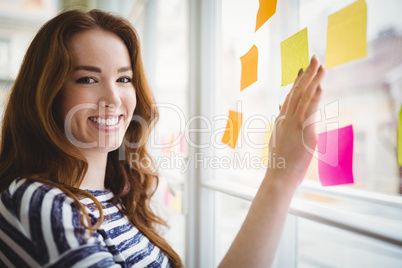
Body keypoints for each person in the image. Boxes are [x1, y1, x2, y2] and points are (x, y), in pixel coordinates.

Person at [0, 8, 325, 268]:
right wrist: (279, 180)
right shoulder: (41, 203)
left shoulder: (113, 197)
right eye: (87, 78)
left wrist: (280, 178)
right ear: (47, 94)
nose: (113, 98)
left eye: (124, 78)